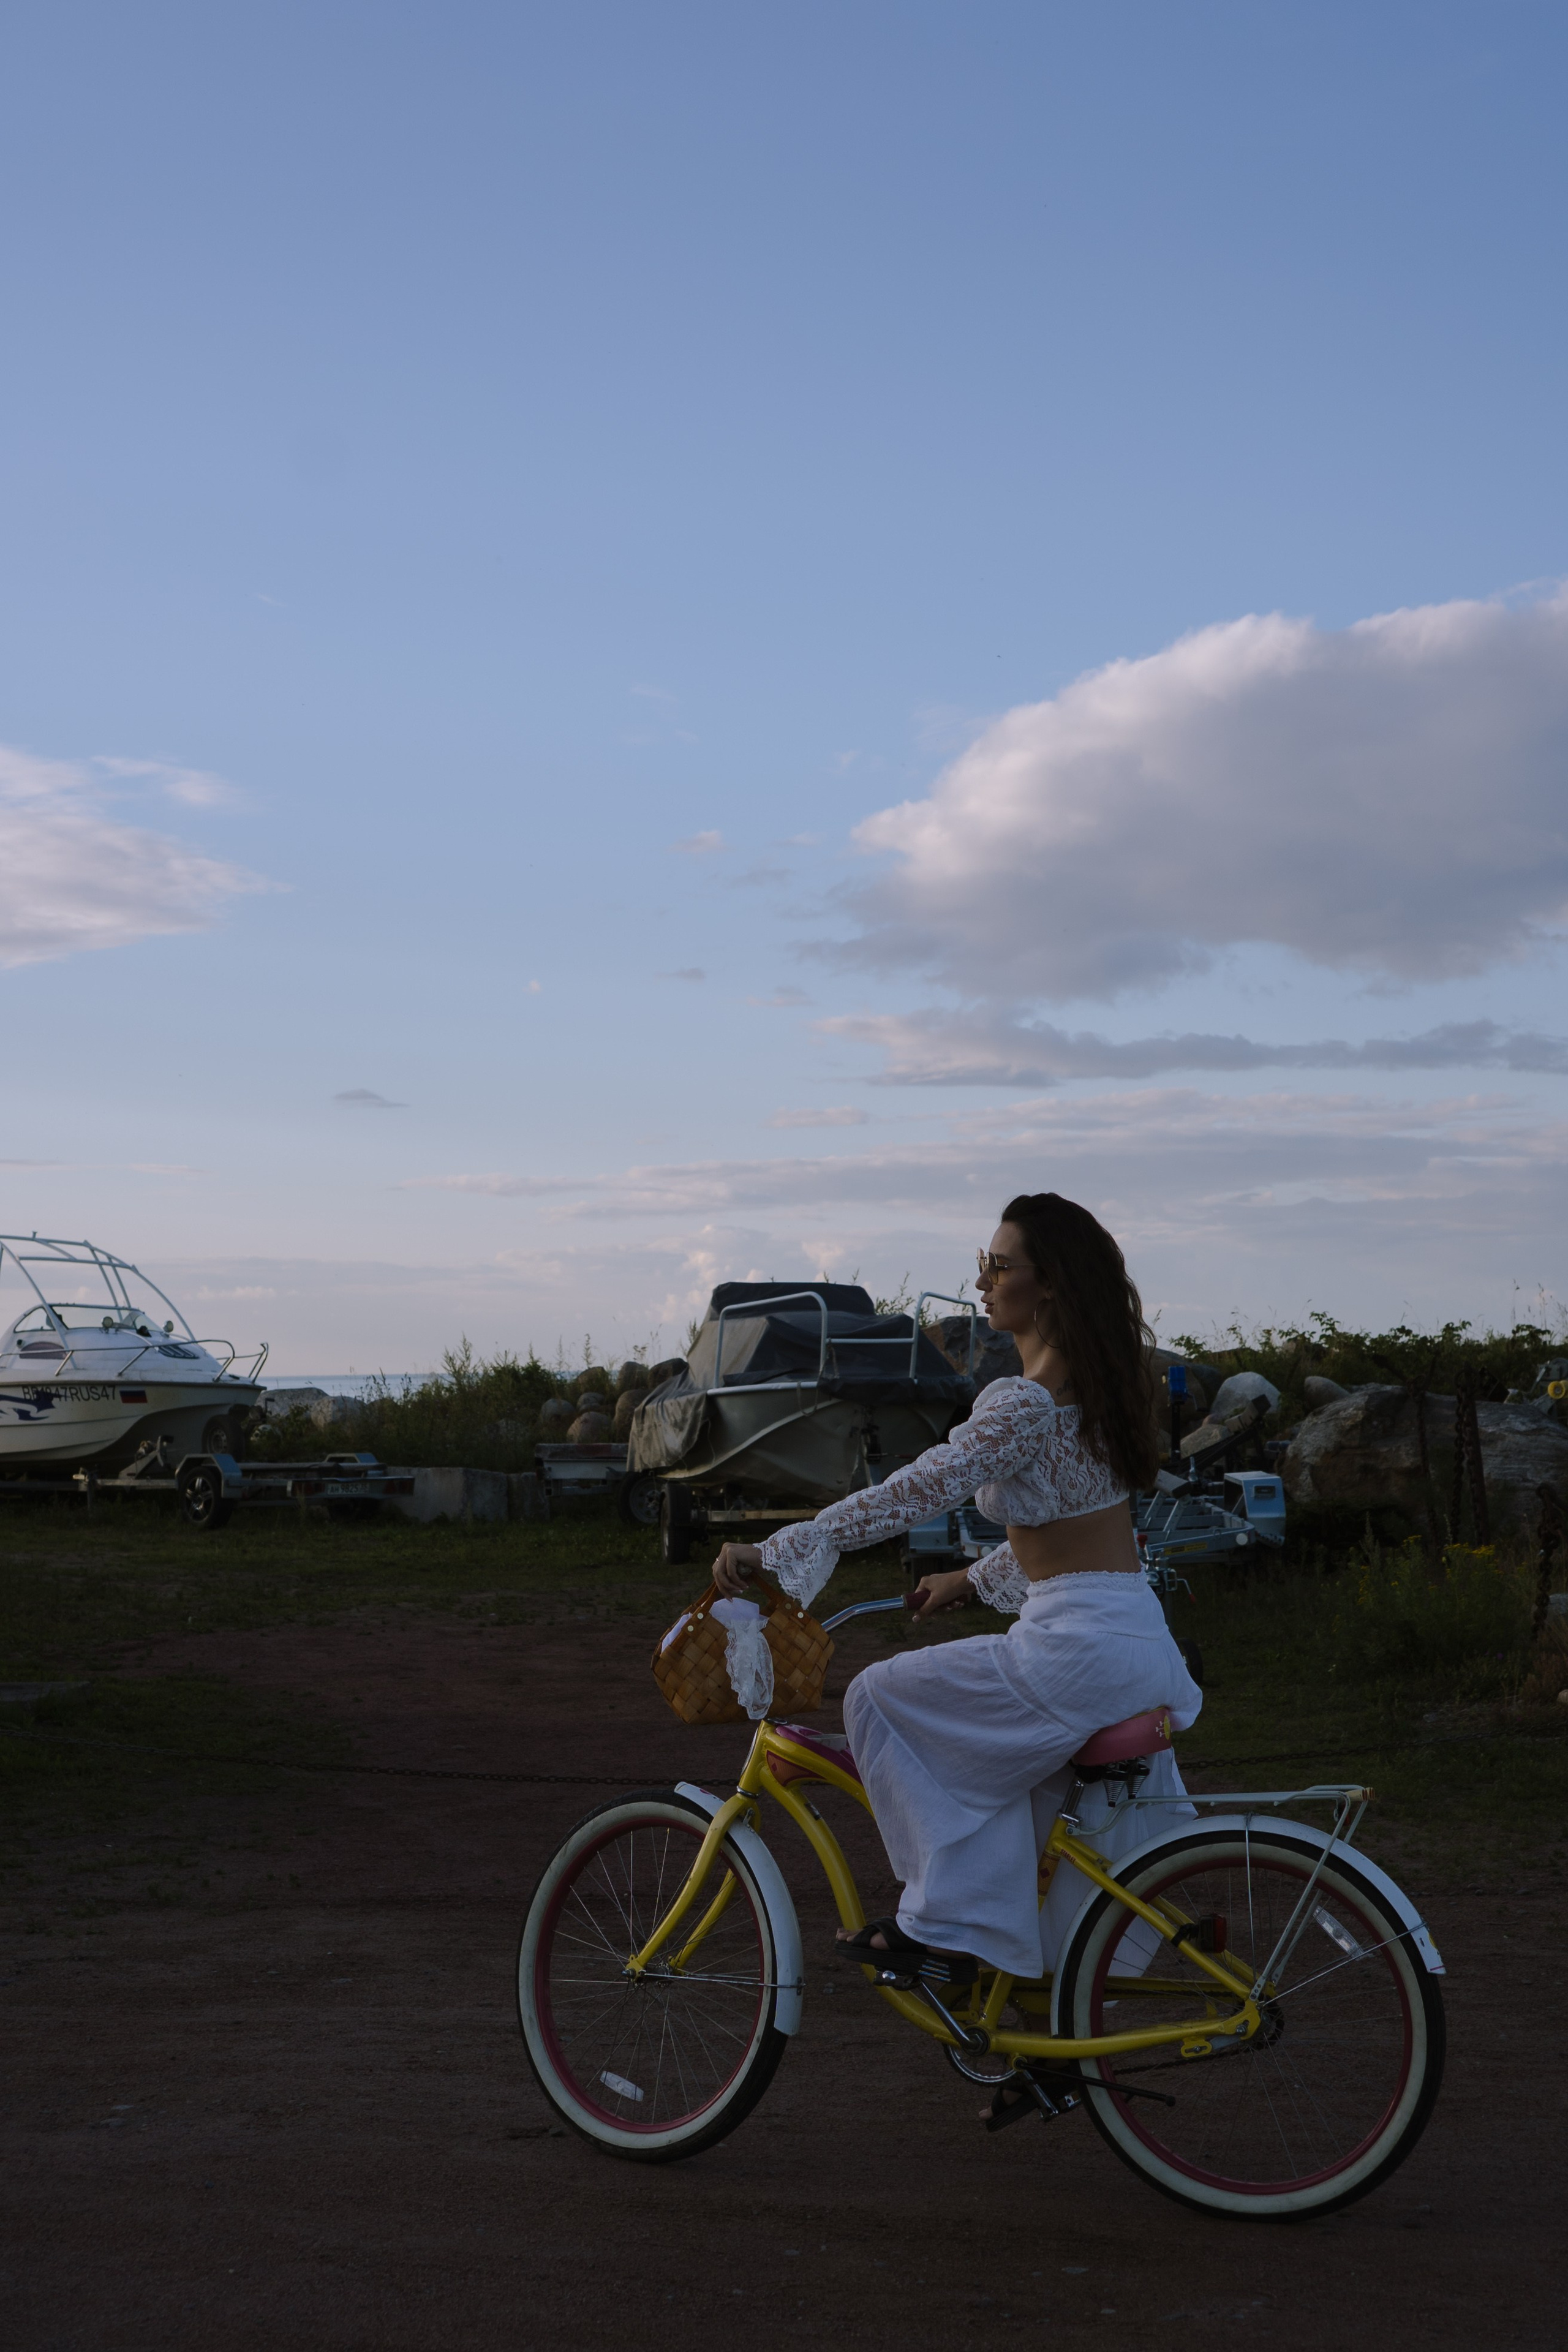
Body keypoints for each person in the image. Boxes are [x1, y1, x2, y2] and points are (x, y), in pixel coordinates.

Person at [713, 1191, 1202, 2028]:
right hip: (1137, 1644)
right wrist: (971, 1582)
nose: (981, 1281)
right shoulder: (1098, 1394)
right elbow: (1077, 1526)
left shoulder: (1023, 1403)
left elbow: (918, 1488)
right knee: (1000, 1774)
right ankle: (1035, 2010)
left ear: (1045, 1287)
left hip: (1075, 1652)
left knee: (878, 1698)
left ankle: (942, 1931)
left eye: (997, 1265)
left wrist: (785, 1548)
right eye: (984, 1263)